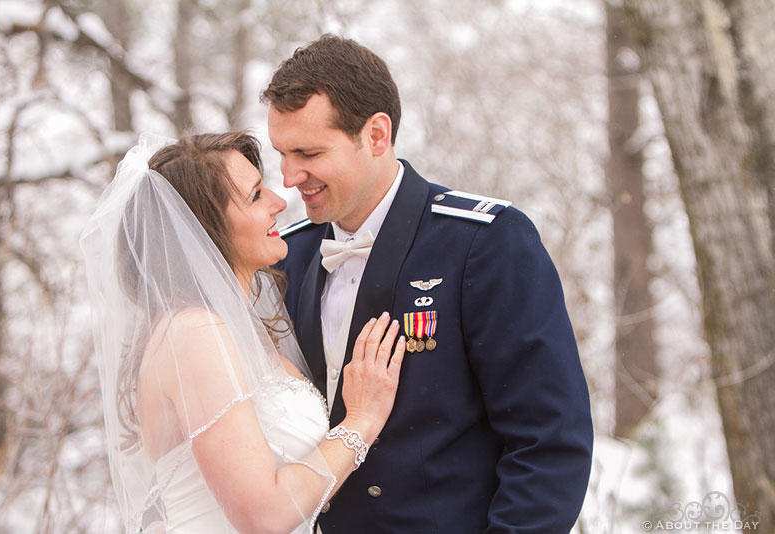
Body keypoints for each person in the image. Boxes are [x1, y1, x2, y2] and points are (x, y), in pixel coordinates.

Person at [263, 35, 594, 533]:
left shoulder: (484, 242)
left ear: (377, 135)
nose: (289, 178)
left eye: (308, 152)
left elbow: (548, 441)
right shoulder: (290, 254)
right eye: (282, 154)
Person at [80, 132, 405, 534]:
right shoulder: (193, 332)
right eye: (255, 196)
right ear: (205, 227)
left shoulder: (237, 327)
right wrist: (360, 422)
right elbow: (263, 517)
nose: (279, 202)